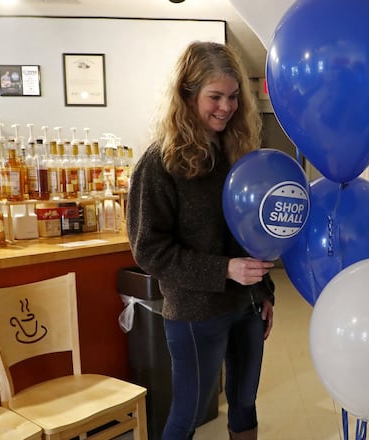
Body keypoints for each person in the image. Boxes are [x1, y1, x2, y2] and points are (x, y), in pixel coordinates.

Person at [126, 41, 274, 440]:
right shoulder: (159, 163)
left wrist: (265, 291)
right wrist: (225, 269)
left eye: (233, 96)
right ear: (187, 96)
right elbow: (148, 250)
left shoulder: (239, 153)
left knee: (245, 403)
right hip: (196, 311)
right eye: (215, 97)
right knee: (188, 414)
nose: (226, 107)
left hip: (247, 305)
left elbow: (253, 232)